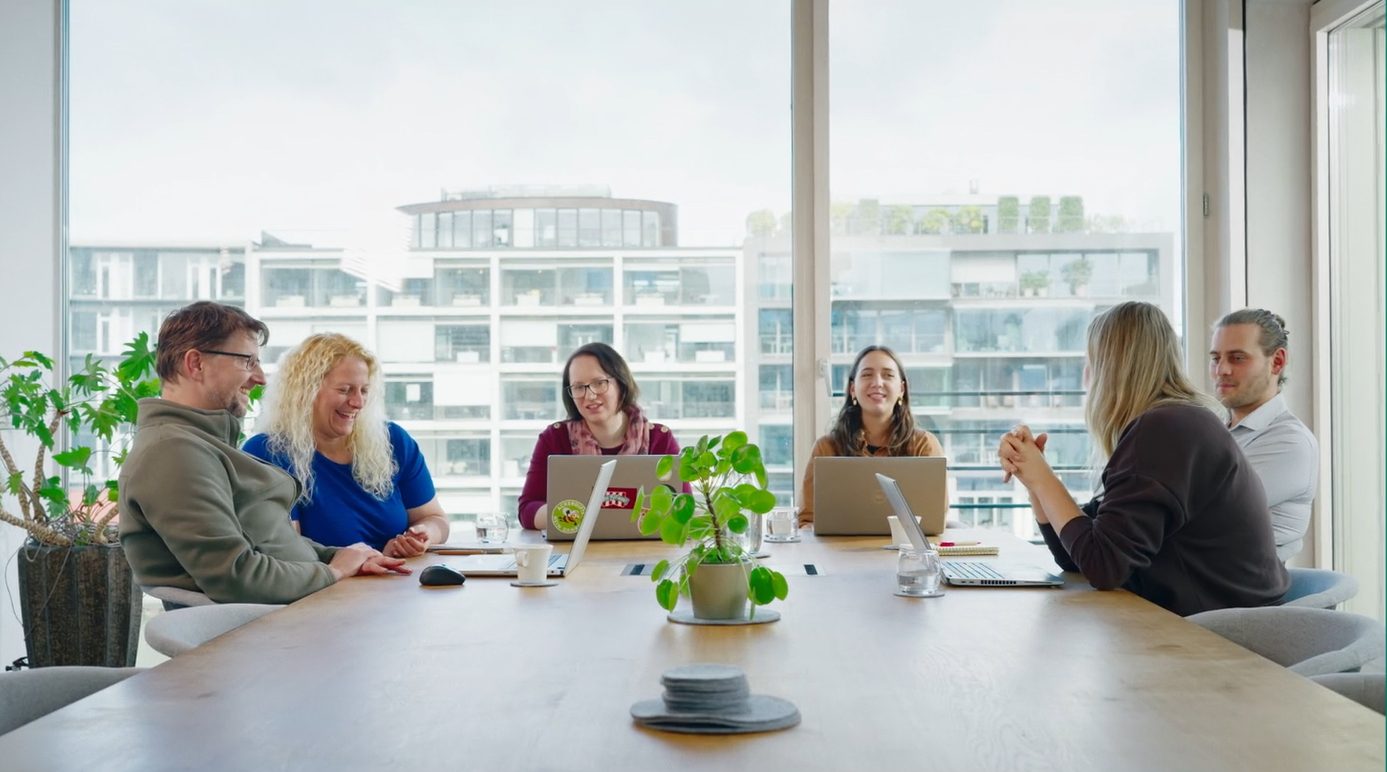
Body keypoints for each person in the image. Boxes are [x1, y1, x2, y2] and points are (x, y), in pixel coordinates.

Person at [997, 301, 1288, 616]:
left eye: (1090, 363)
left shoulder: (1165, 430)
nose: (1085, 377)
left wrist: (1043, 479)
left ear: (1110, 370)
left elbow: (1103, 566)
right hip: (1215, 620)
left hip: (1220, 634)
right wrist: (1034, 480)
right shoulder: (1176, 423)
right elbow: (1075, 556)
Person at [119, 302, 409, 606]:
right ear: (196, 363)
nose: (260, 378)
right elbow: (235, 576)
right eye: (247, 362)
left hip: (304, 608)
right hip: (277, 623)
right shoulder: (173, 454)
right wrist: (333, 572)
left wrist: (342, 556)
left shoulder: (200, 444)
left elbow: (269, 540)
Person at [243, 333, 450, 557]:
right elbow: (288, 554)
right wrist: (371, 561)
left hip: (399, 577)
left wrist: (422, 535)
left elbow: (435, 519)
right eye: (344, 390)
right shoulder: (267, 453)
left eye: (364, 390)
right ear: (305, 392)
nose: (358, 402)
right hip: (331, 580)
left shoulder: (393, 441)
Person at [518, 342, 680, 530]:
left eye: (599, 383)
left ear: (621, 383)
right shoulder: (554, 438)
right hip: (574, 547)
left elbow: (681, 511)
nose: (590, 395)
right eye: (579, 387)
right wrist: (574, 516)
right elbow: (527, 509)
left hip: (644, 546)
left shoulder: (660, 439)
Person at [1210, 309, 1318, 561]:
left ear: (1277, 362)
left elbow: (1202, 514)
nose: (1222, 370)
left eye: (1237, 358)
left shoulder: (1291, 443)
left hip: (1230, 583)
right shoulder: (1213, 429)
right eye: (1216, 358)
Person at [797, 345, 944, 527]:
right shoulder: (826, 448)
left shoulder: (924, 445)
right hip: (840, 546)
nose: (877, 383)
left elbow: (935, 518)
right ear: (853, 389)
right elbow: (807, 520)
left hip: (904, 546)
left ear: (901, 389)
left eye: (888, 375)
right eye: (867, 375)